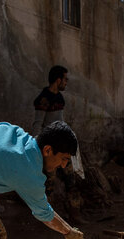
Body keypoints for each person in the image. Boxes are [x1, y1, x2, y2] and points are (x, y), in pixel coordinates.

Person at [32, 65, 85, 224]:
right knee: (48, 186)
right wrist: (36, 149)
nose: (66, 82)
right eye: (65, 79)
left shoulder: (60, 98)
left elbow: (60, 122)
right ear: (58, 80)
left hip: (63, 147)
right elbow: (37, 124)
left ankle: (75, 216)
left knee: (71, 182)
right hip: (51, 150)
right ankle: (46, 220)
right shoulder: (43, 99)